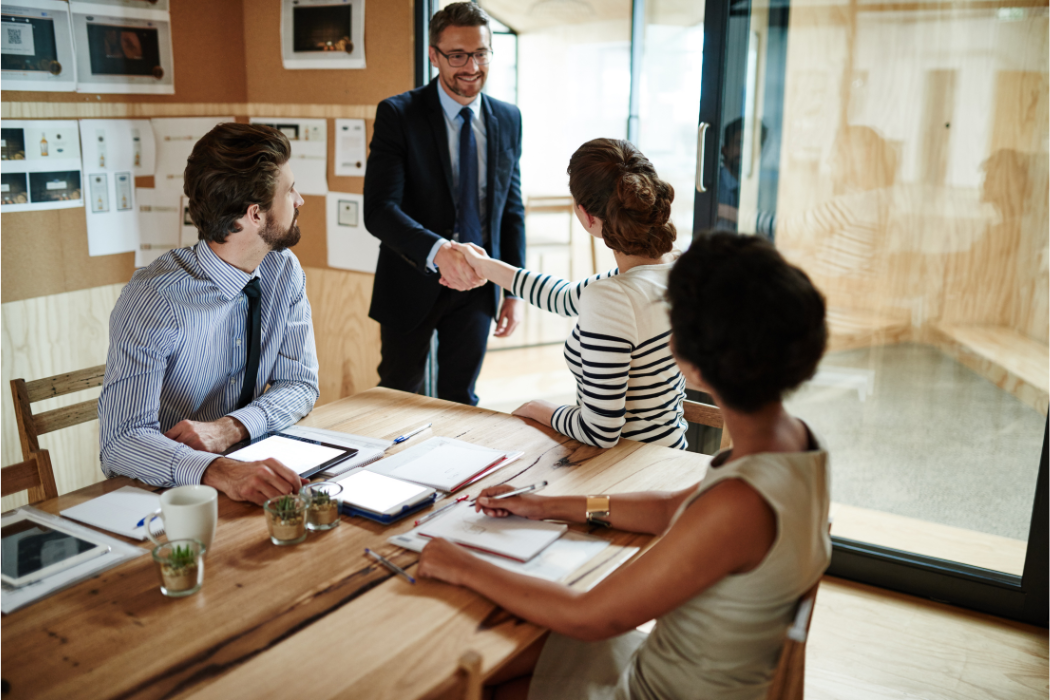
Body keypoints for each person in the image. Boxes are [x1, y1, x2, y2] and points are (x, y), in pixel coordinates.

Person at [418, 232, 831, 700]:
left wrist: (463, 564)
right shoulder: (792, 442)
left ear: (695, 356)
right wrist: (545, 505)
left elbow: (593, 617)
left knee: (458, 679)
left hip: (658, 689)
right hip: (693, 667)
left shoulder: (739, 504)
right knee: (502, 655)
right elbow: (673, 509)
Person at [99, 122, 319, 506]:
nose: (299, 200)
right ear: (254, 215)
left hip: (252, 472)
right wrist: (216, 469)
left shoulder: (285, 271)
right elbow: (121, 441)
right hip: (166, 495)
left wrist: (231, 428)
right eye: (289, 190)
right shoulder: (154, 299)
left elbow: (300, 384)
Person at [450, 138, 687, 449]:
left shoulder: (612, 298)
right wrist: (484, 265)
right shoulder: (678, 269)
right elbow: (564, 296)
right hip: (673, 456)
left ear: (586, 215)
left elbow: (599, 432)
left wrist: (536, 407)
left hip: (629, 473)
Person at [363, 1, 525, 406]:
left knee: (460, 398)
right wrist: (440, 252)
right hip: (410, 280)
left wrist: (513, 290)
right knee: (398, 396)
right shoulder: (398, 114)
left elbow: (510, 209)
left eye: (481, 53)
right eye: (457, 55)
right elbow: (379, 209)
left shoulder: (509, 118)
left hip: (478, 285)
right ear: (434, 55)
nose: (471, 67)